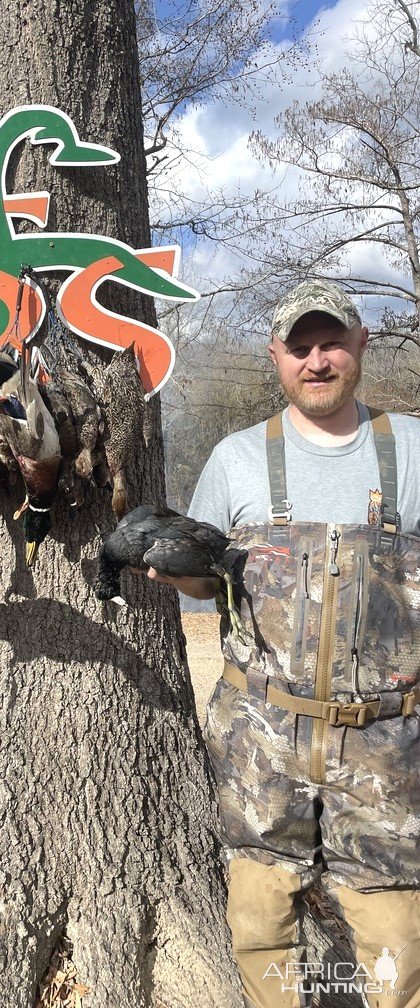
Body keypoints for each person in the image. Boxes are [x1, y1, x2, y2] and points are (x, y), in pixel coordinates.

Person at [150, 281, 419, 1008]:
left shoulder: (416, 449)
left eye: (331, 343)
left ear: (361, 344)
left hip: (388, 743)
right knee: (261, 916)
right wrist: (175, 567)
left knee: (396, 924)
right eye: (299, 348)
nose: (317, 361)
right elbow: (203, 587)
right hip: (261, 736)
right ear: (277, 358)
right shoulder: (236, 459)